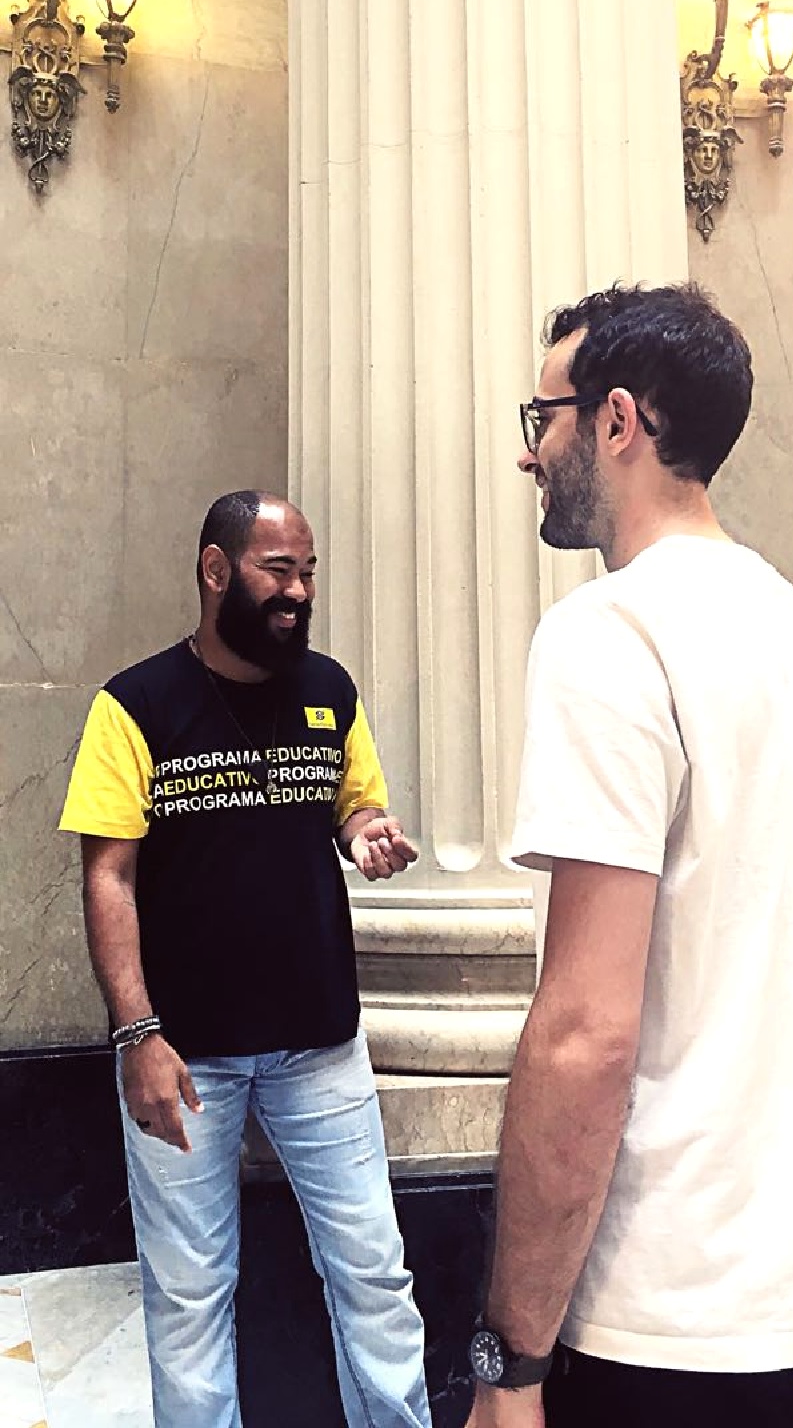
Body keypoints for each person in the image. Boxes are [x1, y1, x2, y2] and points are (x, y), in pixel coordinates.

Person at [466, 283, 793, 1428]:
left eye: (543, 419)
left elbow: (585, 1030)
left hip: (678, 1324)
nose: (529, 454)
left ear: (618, 420)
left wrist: (508, 1361)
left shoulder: (609, 633)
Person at [59, 490, 431, 1428]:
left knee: (374, 1277)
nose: (299, 591)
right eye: (278, 571)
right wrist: (137, 1034)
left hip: (321, 1045)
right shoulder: (134, 705)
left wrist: (367, 832)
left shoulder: (330, 689)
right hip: (184, 1056)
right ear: (216, 570)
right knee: (189, 1297)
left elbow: (352, 805)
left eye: (308, 572)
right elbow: (109, 877)